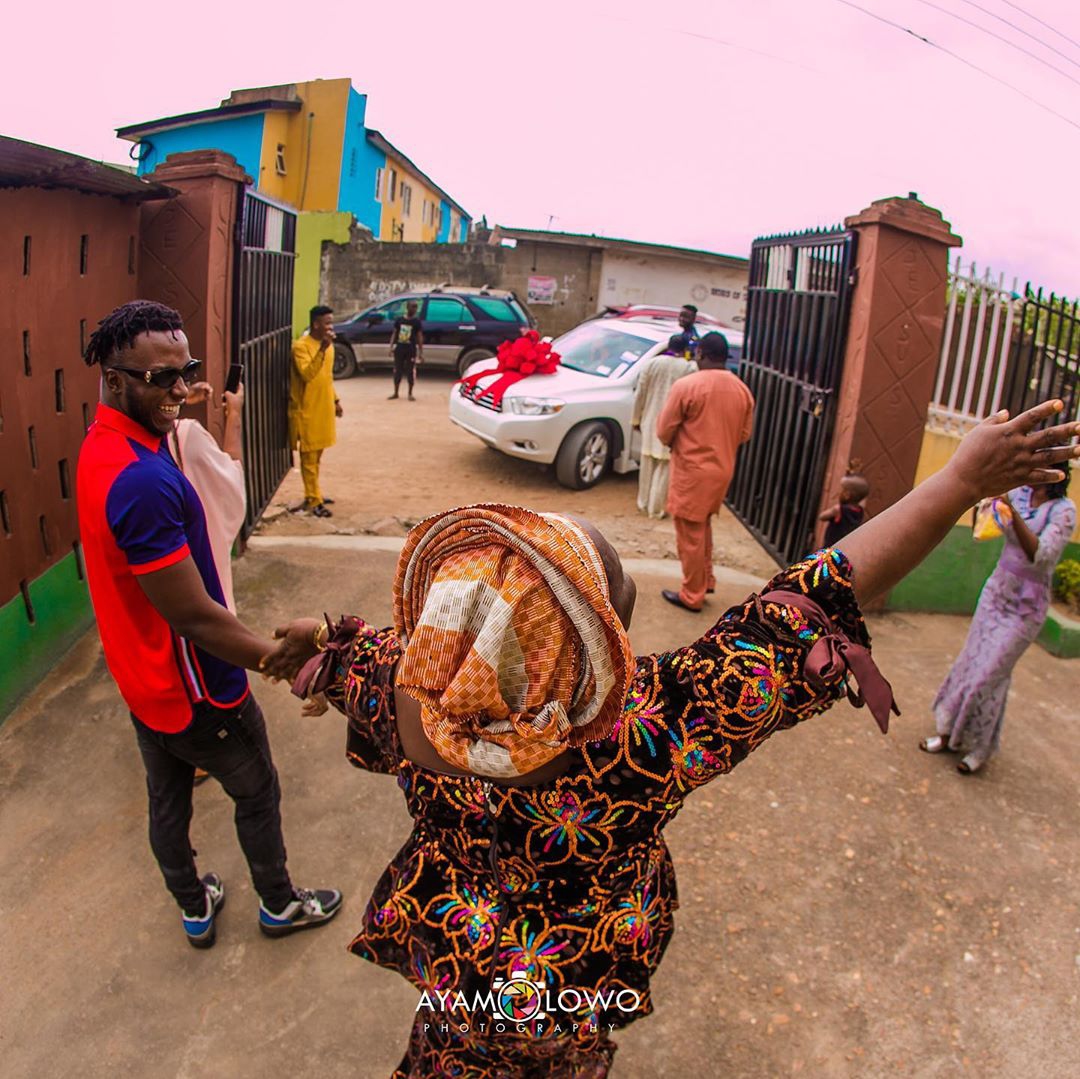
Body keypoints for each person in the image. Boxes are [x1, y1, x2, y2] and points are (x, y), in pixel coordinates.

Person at [263, 399, 1079, 1078]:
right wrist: (959, 480)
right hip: (574, 998)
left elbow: (357, 657)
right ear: (596, 643)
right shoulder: (647, 730)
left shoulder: (415, 694)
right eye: (613, 594)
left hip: (457, 982)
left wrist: (318, 644)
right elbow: (806, 603)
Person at [77, 300, 342, 949]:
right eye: (161, 378)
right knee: (257, 790)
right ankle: (279, 903)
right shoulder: (142, 481)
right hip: (197, 689)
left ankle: (195, 906)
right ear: (114, 380)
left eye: (186, 371)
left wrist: (193, 401)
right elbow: (193, 614)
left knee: (167, 801)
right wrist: (287, 661)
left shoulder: (104, 446)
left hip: (143, 682)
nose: (178, 389)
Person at [922, 474, 1076, 774]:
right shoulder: (1019, 493)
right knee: (969, 663)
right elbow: (983, 530)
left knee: (989, 675)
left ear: (1054, 470)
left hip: (1026, 609)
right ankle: (946, 734)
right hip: (996, 594)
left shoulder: (1064, 510)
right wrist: (983, 500)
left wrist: (1012, 511)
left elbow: (1041, 557)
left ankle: (979, 747)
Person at [655, 331, 755, 612]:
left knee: (690, 534)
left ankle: (692, 594)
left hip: (693, 471)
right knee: (702, 527)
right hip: (722, 470)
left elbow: (664, 430)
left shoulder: (688, 385)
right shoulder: (741, 389)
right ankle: (705, 580)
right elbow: (745, 434)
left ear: (700, 353)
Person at [631, 333, 696, 519]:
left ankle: (643, 503)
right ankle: (656, 509)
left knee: (647, 463)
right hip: (673, 424)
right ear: (685, 349)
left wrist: (636, 419)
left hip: (649, 419)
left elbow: (640, 394)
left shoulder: (652, 364)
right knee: (665, 465)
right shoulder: (689, 368)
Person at [290, 305, 343, 517]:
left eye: (331, 322)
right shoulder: (301, 347)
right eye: (327, 323)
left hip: (324, 407)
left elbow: (326, 377)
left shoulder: (329, 347)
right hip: (307, 410)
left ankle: (315, 493)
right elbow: (307, 375)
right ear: (316, 324)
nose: (331, 327)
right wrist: (321, 349)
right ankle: (313, 500)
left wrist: (335, 400)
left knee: (317, 456)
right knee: (309, 459)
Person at [819, 467, 871, 548]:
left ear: (847, 495)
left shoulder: (839, 510)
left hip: (830, 549)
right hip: (844, 549)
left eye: (841, 490)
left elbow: (821, 517)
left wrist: (833, 510)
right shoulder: (860, 511)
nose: (839, 492)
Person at [389, 300, 424, 401]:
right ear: (407, 307)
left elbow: (419, 336)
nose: (415, 309)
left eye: (416, 307)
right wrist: (391, 347)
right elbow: (394, 334)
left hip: (410, 349)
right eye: (413, 307)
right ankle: (396, 392)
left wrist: (421, 352)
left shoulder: (416, 322)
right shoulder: (399, 320)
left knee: (410, 371)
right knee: (397, 370)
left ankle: (410, 393)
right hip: (400, 348)